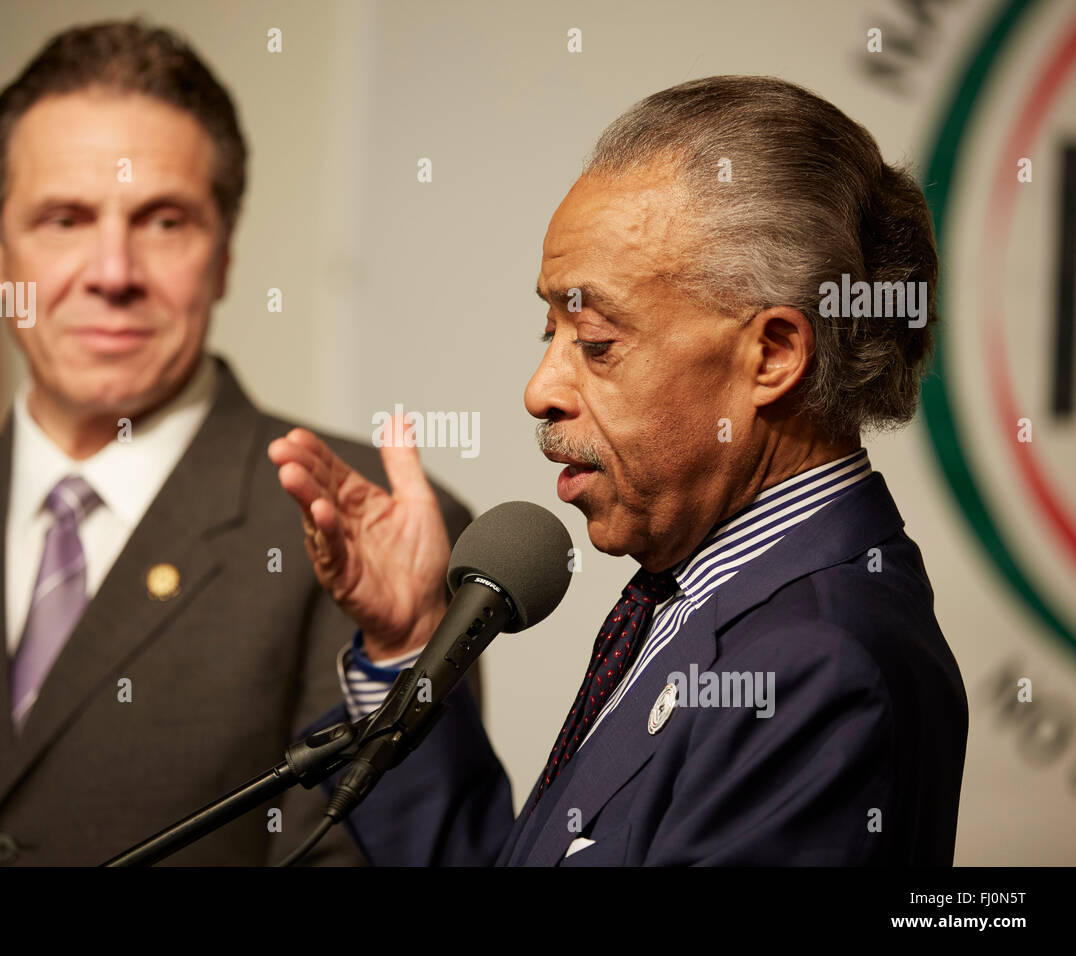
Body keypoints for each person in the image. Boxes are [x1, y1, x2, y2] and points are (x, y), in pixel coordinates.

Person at [0, 20, 469, 866]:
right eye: (64, 218)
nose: (112, 271)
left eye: (164, 220)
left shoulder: (373, 530)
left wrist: (403, 655)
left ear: (224, 253)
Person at [269, 75, 969, 866]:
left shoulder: (819, 666)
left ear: (772, 354)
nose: (539, 391)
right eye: (549, 330)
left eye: (596, 341)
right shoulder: (709, 592)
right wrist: (406, 646)